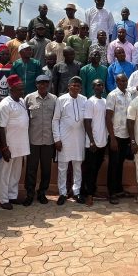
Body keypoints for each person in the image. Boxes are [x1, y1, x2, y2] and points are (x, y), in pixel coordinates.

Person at [52, 76, 87, 205]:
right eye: (73, 85)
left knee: (78, 167)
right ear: (68, 86)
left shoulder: (84, 100)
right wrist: (57, 139)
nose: (75, 87)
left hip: (79, 139)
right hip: (64, 139)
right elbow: (55, 120)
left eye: (78, 86)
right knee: (62, 168)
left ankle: (76, 192)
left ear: (80, 88)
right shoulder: (61, 100)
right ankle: (62, 193)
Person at [0, 75, 30, 209]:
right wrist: (4, 148)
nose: (22, 91)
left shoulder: (21, 101)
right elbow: (1, 127)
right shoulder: (5, 104)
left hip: (21, 144)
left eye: (22, 88)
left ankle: (12, 195)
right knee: (5, 172)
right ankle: (4, 199)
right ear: (11, 89)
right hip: (9, 145)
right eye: (19, 89)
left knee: (16, 172)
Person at [24, 74, 57, 205]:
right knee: (31, 169)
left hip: (48, 141)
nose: (43, 85)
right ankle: (29, 194)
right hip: (33, 140)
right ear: (36, 84)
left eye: (45, 83)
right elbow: (24, 119)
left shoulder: (54, 99)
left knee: (46, 169)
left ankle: (42, 192)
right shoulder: (29, 98)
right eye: (40, 83)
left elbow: (56, 119)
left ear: (48, 85)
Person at [106, 73, 132, 204]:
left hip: (125, 135)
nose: (124, 83)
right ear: (116, 82)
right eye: (121, 81)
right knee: (113, 164)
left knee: (120, 163)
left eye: (125, 81)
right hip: (116, 135)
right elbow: (108, 117)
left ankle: (118, 189)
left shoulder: (129, 95)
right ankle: (111, 192)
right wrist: (112, 138)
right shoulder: (112, 95)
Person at [82, 79, 107, 206]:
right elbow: (87, 122)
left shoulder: (105, 101)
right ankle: (88, 195)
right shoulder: (90, 102)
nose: (100, 87)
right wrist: (91, 141)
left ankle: (93, 190)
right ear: (93, 87)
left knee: (96, 168)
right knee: (90, 169)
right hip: (92, 142)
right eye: (97, 85)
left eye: (101, 85)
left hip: (102, 141)